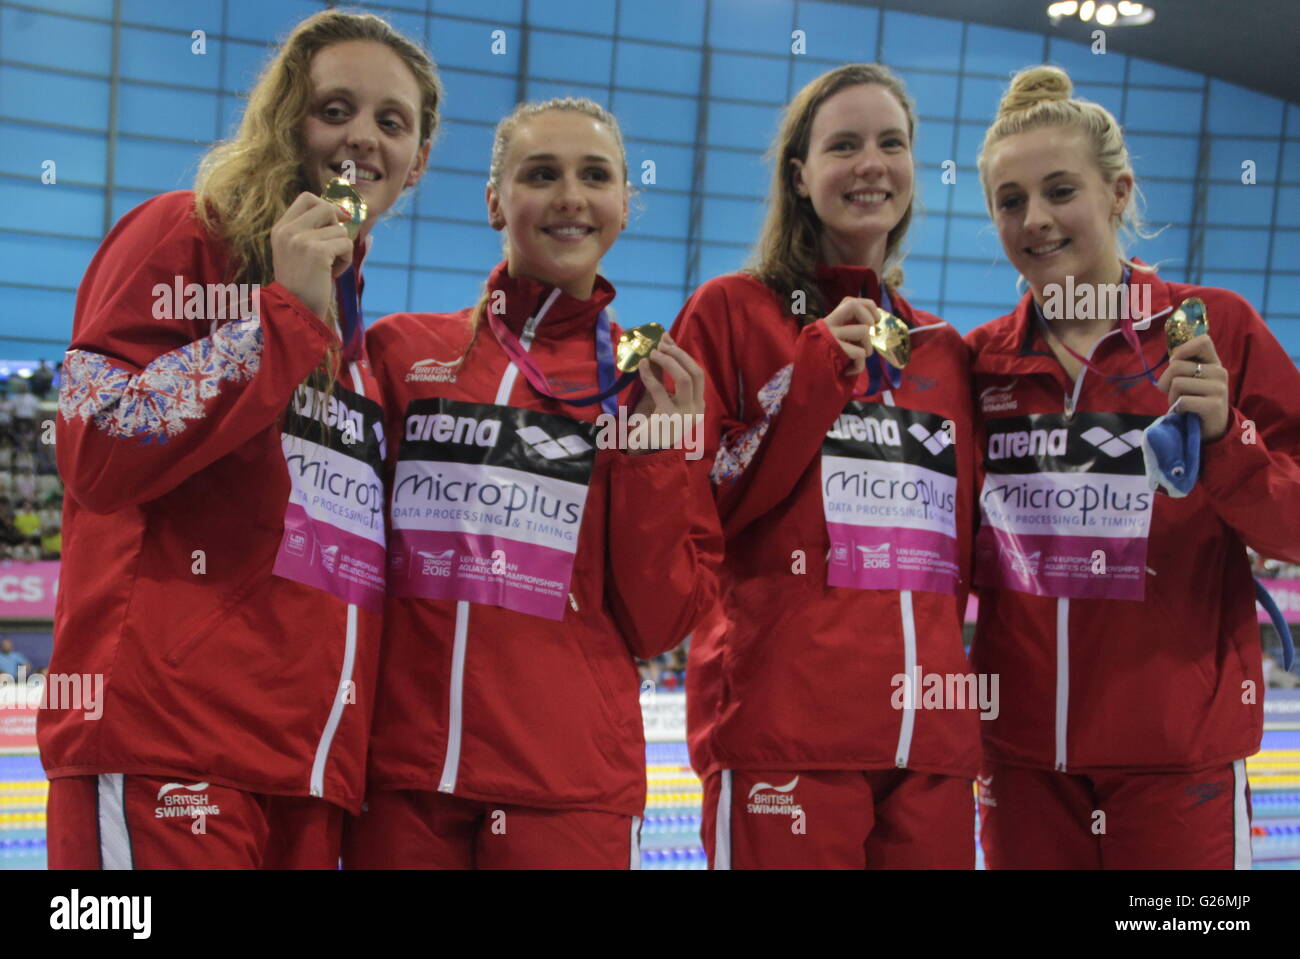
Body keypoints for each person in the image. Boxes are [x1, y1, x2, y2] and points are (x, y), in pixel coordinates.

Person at [41, 10, 441, 869]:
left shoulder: (365, 348)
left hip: (304, 777)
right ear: (286, 117)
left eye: (391, 121)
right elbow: (95, 445)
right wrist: (277, 319)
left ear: (419, 162)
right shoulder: (183, 233)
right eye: (335, 108)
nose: (361, 138)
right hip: (167, 749)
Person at [345, 97, 721, 869]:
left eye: (595, 176)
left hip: (570, 783)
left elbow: (658, 623)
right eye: (541, 173)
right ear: (494, 202)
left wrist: (653, 453)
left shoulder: (653, 384)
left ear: (623, 205)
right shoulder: (400, 355)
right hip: (405, 778)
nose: (570, 196)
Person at [966, 65, 1300, 869]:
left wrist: (1226, 443)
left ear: (1118, 193)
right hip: (1021, 766)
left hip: (1177, 767)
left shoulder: (1215, 329)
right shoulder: (979, 364)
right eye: (1011, 202)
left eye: (1059, 191)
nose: (1035, 221)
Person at [672, 64, 981, 869]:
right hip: (787, 736)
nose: (872, 163)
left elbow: (965, 557)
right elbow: (697, 507)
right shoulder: (730, 314)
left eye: (892, 143)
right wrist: (809, 380)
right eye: (844, 145)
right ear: (800, 175)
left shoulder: (942, 352)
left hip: (931, 745)